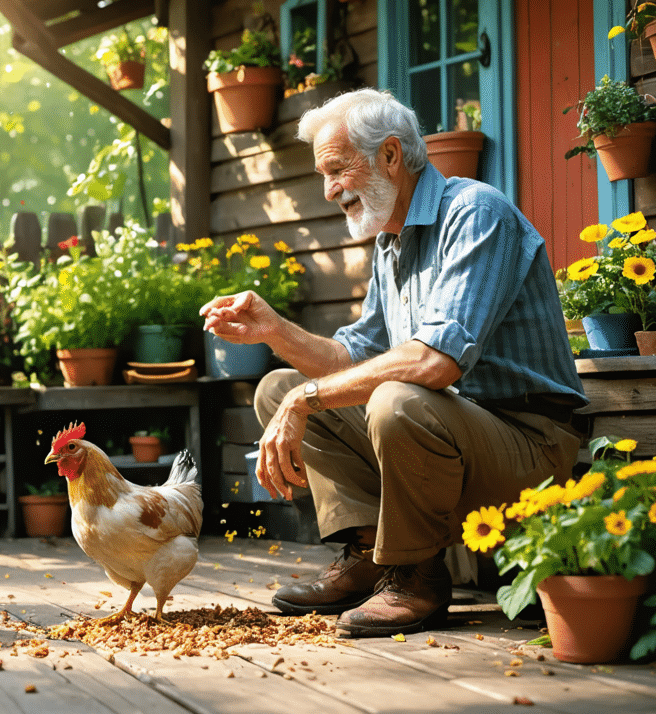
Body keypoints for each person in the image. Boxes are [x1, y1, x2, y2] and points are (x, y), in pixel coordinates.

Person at [200, 88, 587, 638]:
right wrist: (276, 331)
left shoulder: (475, 212)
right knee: (278, 385)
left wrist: (306, 400)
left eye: (337, 169)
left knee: (394, 398)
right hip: (453, 434)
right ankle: (367, 556)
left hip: (530, 441)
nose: (330, 190)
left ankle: (414, 578)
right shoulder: (391, 243)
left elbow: (434, 364)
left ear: (389, 156)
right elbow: (349, 356)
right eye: (323, 174)